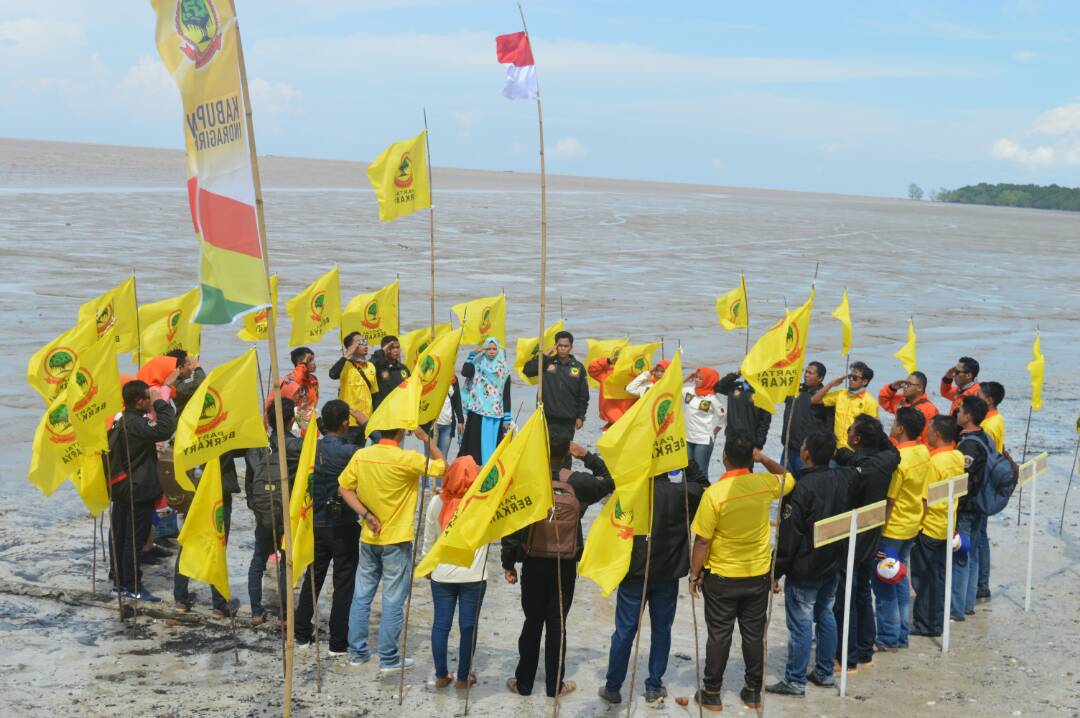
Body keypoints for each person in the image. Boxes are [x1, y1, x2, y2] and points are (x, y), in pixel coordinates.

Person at [688, 433, 795, 712]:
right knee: (753, 635)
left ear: (724, 458)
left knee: (719, 634)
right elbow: (789, 478)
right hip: (757, 575)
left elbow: (702, 540)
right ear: (752, 459)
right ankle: (752, 692)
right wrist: (765, 459)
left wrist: (694, 574)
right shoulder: (763, 484)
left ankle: (712, 693)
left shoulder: (714, 494)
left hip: (722, 576)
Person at [502, 438, 614, 698]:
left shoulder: (529, 480)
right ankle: (555, 686)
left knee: (532, 623)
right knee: (557, 625)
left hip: (533, 562)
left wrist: (509, 563)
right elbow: (610, 479)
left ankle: (524, 684)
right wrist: (587, 456)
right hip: (564, 564)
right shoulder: (578, 483)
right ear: (569, 452)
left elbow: (512, 525)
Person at [598, 460, 709, 705]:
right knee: (661, 630)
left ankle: (613, 687)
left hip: (634, 574)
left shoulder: (630, 491)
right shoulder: (682, 493)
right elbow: (704, 485)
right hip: (666, 574)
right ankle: (653, 685)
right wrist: (684, 459)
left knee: (624, 632)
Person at [339, 426, 446, 670]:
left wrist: (366, 515)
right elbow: (443, 468)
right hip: (396, 541)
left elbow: (344, 488)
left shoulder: (361, 455)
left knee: (362, 596)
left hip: (368, 537)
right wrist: (427, 439)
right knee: (393, 600)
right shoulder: (407, 459)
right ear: (400, 433)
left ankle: (357, 653)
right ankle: (388, 657)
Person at [767, 431, 852, 696]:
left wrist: (775, 570)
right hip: (832, 561)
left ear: (806, 454)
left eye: (803, 444)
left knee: (801, 622)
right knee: (825, 613)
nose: (801, 447)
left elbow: (790, 536)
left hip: (807, 566)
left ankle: (795, 680)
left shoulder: (801, 488)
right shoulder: (842, 479)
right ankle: (825, 672)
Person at [832, 415, 900, 672]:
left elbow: (855, 470)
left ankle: (846, 658)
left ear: (857, 438)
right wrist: (874, 432)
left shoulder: (856, 472)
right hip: (872, 535)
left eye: (850, 430)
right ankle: (864, 650)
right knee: (862, 592)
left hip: (852, 538)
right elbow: (887, 450)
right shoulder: (886, 460)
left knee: (845, 597)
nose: (847, 433)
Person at [294, 400, 362, 654]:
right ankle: (337, 643)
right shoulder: (349, 452)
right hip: (343, 523)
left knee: (312, 578)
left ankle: (301, 633)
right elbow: (375, 449)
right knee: (343, 584)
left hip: (315, 521)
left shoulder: (310, 447)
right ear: (345, 422)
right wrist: (365, 421)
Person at [421, 456, 487, 689]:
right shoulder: (483, 503)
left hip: (442, 574)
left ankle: (441, 676)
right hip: (474, 575)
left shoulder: (437, 502)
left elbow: (429, 539)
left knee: (441, 624)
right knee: (468, 626)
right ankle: (462, 678)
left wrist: (426, 565)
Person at [108, 380, 177, 602]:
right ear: (139, 402)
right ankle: (132, 585)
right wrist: (160, 403)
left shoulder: (120, 420)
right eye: (148, 397)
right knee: (133, 540)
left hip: (122, 487)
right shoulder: (136, 424)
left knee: (120, 535)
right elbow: (166, 428)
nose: (151, 400)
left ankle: (119, 581)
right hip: (137, 489)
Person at [873, 407, 931, 650]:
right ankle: (901, 634)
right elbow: (925, 495)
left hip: (893, 528)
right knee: (900, 581)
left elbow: (890, 500)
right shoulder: (923, 452)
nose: (892, 425)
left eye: (894, 422)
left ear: (901, 428)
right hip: (912, 523)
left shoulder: (900, 459)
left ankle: (888, 636)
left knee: (885, 581)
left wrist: (878, 531)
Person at [244, 398, 302, 625]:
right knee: (287, 563)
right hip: (287, 514)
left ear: (268, 421)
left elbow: (250, 482)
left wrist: (256, 508)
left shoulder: (256, 448)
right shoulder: (296, 447)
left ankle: (256, 612)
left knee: (258, 560)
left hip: (263, 513)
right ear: (290, 421)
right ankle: (285, 616)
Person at [910, 415, 965, 637]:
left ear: (938, 434)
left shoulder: (934, 463)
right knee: (939, 575)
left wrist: (915, 526)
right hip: (947, 523)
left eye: (929, 430)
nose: (926, 434)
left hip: (930, 525)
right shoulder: (957, 456)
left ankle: (926, 624)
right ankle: (937, 619)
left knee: (924, 578)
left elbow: (924, 499)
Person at [174, 450, 243, 617]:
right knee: (217, 545)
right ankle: (219, 604)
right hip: (217, 493)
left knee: (190, 543)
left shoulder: (191, 429)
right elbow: (243, 445)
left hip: (195, 491)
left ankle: (180, 599)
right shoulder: (222, 430)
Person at [952, 395, 992, 620]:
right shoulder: (985, 438)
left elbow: (964, 479)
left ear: (967, 416)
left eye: (959, 411)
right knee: (973, 554)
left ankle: (957, 608)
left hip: (967, 507)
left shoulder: (968, 444)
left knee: (961, 556)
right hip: (981, 504)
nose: (956, 413)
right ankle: (967, 603)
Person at [522, 330, 589, 444]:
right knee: (545, 449)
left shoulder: (578, 367)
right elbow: (527, 370)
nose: (563, 348)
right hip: (547, 416)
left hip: (568, 418)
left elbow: (583, 396)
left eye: (566, 346)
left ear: (571, 347)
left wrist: (581, 416)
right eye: (560, 346)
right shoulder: (546, 363)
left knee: (564, 452)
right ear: (555, 346)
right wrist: (544, 355)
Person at [976, 381, 1006, 600]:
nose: (976, 396)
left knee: (979, 536)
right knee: (980, 535)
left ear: (989, 400)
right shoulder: (995, 418)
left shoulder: (990, 425)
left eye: (979, 394)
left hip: (984, 483)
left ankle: (981, 583)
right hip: (988, 481)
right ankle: (981, 582)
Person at [460, 338, 512, 465]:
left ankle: (489, 474)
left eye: (494, 349)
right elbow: (465, 372)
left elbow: (506, 394)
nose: (491, 352)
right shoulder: (477, 364)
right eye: (488, 348)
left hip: (495, 414)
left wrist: (507, 418)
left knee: (493, 447)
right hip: (477, 412)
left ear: (498, 350)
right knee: (475, 448)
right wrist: (472, 354)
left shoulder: (504, 369)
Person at [811, 360, 879, 450]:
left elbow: (872, 431)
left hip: (855, 451)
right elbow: (814, 400)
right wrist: (831, 384)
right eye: (850, 377)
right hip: (836, 450)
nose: (851, 380)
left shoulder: (870, 402)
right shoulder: (841, 394)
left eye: (855, 378)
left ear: (864, 381)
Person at [781, 361, 832, 477]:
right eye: (806, 372)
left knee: (804, 486)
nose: (806, 375)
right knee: (783, 486)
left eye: (811, 373)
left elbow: (828, 428)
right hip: (788, 449)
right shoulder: (794, 390)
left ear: (820, 378)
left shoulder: (825, 398)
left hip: (807, 453)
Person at [329, 332, 378, 446]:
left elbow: (374, 395)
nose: (365, 345)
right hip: (348, 423)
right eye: (360, 343)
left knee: (359, 454)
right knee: (345, 456)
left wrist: (374, 419)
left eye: (365, 342)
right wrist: (347, 354)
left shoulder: (370, 366)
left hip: (365, 421)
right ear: (351, 347)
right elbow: (332, 374)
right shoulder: (345, 365)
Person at [682, 367, 725, 480]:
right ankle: (690, 497)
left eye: (700, 378)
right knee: (687, 472)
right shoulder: (688, 391)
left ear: (708, 380)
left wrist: (715, 431)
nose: (696, 380)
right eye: (696, 377)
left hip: (703, 441)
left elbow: (723, 417)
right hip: (688, 439)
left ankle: (703, 497)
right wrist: (687, 378)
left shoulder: (712, 398)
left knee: (700, 473)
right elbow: (673, 387)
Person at [716, 373, 772, 454]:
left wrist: (758, 445)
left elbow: (764, 423)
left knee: (745, 466)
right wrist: (736, 374)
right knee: (730, 465)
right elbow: (719, 386)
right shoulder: (735, 387)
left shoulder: (764, 394)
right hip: (731, 438)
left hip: (749, 442)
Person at [878, 370, 939, 444]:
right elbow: (883, 400)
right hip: (892, 447)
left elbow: (928, 439)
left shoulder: (929, 410)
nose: (905, 387)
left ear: (919, 387)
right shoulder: (901, 400)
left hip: (909, 450)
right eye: (904, 384)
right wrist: (892, 388)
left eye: (909, 384)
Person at [587, 347, 638, 430]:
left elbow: (650, 385)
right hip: (612, 419)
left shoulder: (634, 375)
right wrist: (608, 361)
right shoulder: (608, 374)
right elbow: (592, 369)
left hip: (629, 419)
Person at [277, 346, 319, 432]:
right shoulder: (290, 379)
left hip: (309, 422)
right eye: (309, 360)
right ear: (300, 363)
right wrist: (302, 364)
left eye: (313, 359)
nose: (314, 363)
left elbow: (314, 403)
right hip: (294, 424)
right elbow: (295, 381)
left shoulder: (314, 380)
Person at [371, 335, 410, 409]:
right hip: (383, 412)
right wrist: (381, 352)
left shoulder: (403, 368)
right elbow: (369, 364)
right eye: (392, 348)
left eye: (398, 347)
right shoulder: (377, 367)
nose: (396, 350)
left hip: (400, 409)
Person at [434, 376, 465, 460]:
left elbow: (457, 400)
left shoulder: (453, 378)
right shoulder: (433, 374)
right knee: (430, 460)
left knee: (442, 460)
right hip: (433, 425)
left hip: (448, 425)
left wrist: (460, 420)